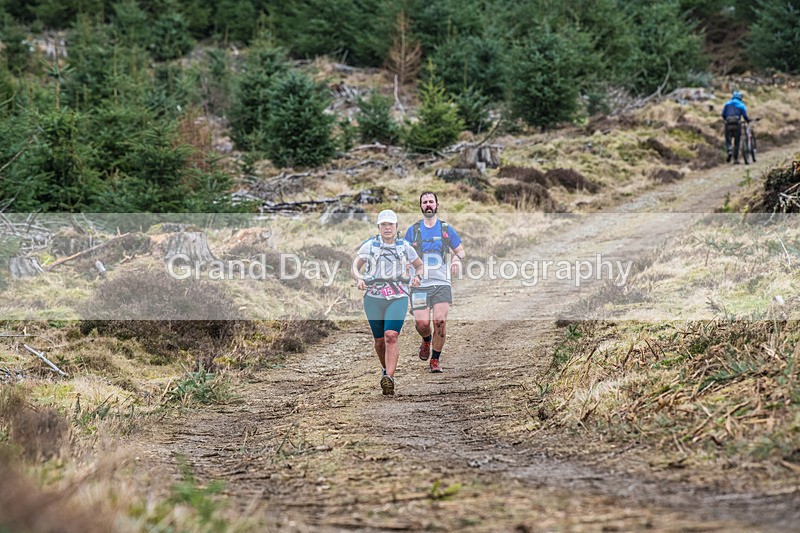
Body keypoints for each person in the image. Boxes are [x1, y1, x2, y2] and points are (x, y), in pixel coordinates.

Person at [353, 209, 423, 396]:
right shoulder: (369, 246)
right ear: (378, 227)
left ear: (396, 227)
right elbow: (355, 266)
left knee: (391, 335)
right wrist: (359, 279)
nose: (387, 228)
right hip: (373, 297)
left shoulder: (405, 246)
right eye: (383, 225)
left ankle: (390, 378)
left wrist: (418, 278)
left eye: (390, 224)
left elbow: (419, 266)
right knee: (379, 342)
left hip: (398, 295)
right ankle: (385, 371)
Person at [405, 192, 465, 373]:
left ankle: (435, 360)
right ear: (421, 206)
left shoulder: (445, 228)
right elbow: (404, 255)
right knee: (422, 324)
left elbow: (460, 250)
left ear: (437, 205)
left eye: (431, 201)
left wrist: (456, 260)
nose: (428, 204)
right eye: (425, 202)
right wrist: (407, 270)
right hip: (419, 285)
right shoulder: (413, 230)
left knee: (440, 321)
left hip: (441, 283)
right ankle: (426, 340)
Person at [722, 90, 751, 165]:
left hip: (728, 124)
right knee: (737, 142)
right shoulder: (741, 105)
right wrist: (748, 120)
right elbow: (745, 116)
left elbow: (723, 114)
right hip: (737, 124)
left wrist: (726, 120)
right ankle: (735, 159)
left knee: (728, 139)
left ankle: (729, 150)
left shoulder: (727, 104)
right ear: (740, 98)